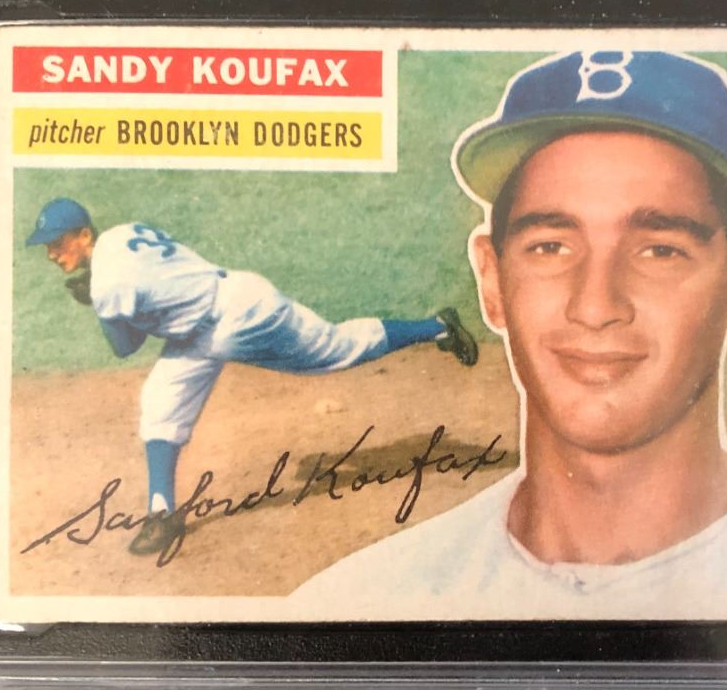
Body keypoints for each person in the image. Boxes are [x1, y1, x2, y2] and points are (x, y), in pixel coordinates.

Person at [295, 47, 727, 621]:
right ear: (492, 281)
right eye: (550, 246)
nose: (595, 306)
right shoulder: (357, 609)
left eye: (659, 250)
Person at [24, 198, 478, 557]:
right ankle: (161, 513)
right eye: (46, 245)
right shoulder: (122, 234)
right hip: (204, 320)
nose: (51, 253)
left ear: (84, 235)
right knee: (159, 403)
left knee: (334, 348)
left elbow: (125, 347)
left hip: (241, 317)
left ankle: (437, 326)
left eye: (57, 242)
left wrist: (98, 304)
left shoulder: (107, 285)